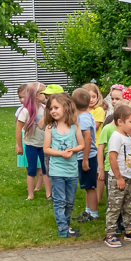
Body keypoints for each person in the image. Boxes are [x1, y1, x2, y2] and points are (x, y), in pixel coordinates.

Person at [103, 105, 131, 246]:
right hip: (118, 178)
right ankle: (110, 233)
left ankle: (129, 230)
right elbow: (112, 158)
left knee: (129, 206)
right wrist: (118, 177)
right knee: (114, 207)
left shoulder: (128, 137)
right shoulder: (116, 137)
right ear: (120, 122)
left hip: (130, 177)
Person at [43, 93, 83, 238]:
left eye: (56, 107)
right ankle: (63, 229)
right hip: (57, 171)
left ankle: (66, 225)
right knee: (59, 201)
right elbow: (46, 149)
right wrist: (62, 153)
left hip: (71, 171)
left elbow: (82, 144)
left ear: (66, 107)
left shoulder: (74, 126)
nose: (53, 111)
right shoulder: (50, 128)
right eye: (50, 108)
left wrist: (73, 150)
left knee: (70, 202)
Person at [15, 82, 50, 201]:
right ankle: (30, 195)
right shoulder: (25, 111)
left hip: (44, 145)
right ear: (36, 95)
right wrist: (19, 146)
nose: (46, 95)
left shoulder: (45, 109)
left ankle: (49, 194)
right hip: (31, 145)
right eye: (43, 93)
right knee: (31, 169)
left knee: (45, 169)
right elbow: (18, 128)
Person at [71, 87, 100, 223]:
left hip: (87, 156)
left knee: (90, 187)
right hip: (86, 155)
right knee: (86, 187)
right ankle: (88, 210)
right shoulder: (86, 115)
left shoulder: (82, 119)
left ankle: (93, 213)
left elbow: (87, 139)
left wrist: (85, 159)